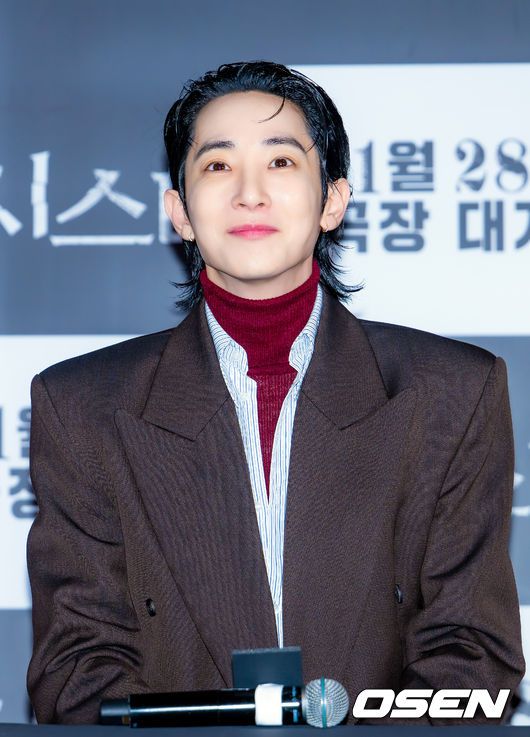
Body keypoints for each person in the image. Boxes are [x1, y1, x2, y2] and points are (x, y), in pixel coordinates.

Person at [27, 60, 524, 725]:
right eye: (217, 165)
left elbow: (471, 654)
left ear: (332, 202)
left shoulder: (452, 393)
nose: (250, 193)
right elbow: (78, 667)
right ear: (179, 212)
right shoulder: (82, 408)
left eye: (282, 162)